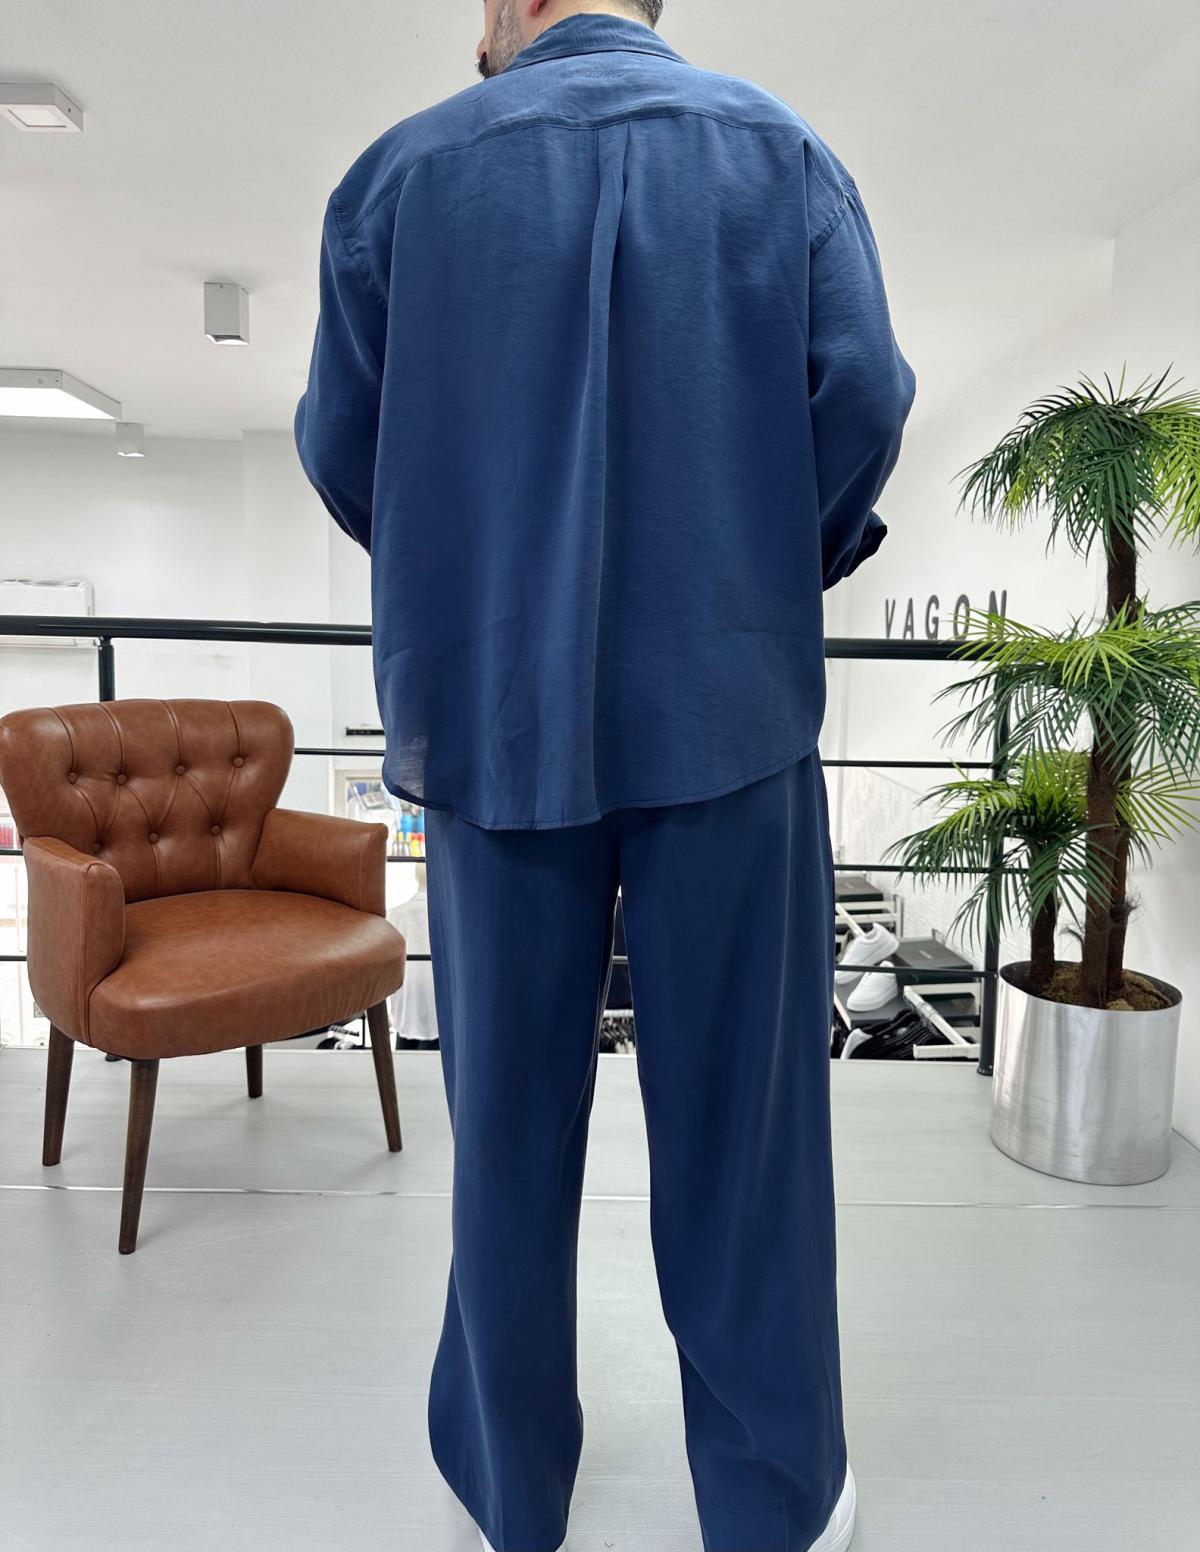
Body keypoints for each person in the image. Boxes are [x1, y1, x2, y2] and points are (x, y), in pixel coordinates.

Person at [295, 2, 915, 1548]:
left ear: (510, 5)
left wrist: (472, 560)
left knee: (505, 1140)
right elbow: (866, 394)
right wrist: (768, 557)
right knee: (747, 1146)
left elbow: (343, 445)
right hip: (727, 712)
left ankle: (512, 1496)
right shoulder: (781, 154)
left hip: (492, 720)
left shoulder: (399, 180)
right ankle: (771, 1504)